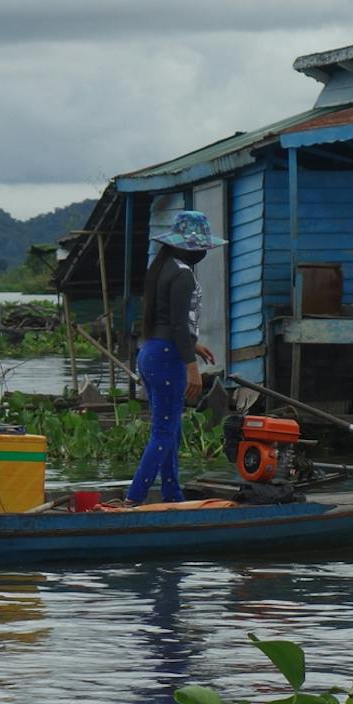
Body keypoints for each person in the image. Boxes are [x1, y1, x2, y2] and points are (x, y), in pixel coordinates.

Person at [126, 210, 223, 505]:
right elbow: (179, 324)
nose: (204, 252)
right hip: (168, 358)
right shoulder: (182, 274)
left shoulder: (163, 267)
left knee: (171, 428)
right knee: (164, 432)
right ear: (185, 247)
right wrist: (192, 368)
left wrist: (193, 346)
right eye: (200, 247)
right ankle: (134, 499)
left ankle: (172, 494)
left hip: (152, 352)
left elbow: (166, 320)